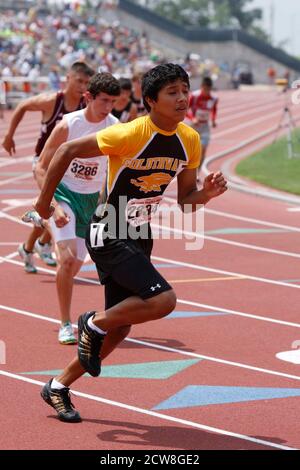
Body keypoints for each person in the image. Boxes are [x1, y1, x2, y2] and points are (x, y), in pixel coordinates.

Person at [34, 63, 227, 423]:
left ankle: (58, 386)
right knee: (162, 299)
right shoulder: (131, 133)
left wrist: (208, 194)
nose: (183, 97)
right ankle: (91, 323)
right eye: (172, 92)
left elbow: (186, 201)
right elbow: (64, 152)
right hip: (107, 228)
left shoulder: (190, 139)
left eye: (184, 89)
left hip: (140, 233)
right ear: (151, 100)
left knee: (119, 328)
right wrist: (46, 203)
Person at [30, 72, 120, 345]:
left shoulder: (115, 127)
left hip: (90, 201)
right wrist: (54, 205)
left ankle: (40, 221)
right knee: (66, 260)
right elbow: (41, 167)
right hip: (64, 193)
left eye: (113, 102)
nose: (108, 108)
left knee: (76, 264)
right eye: (103, 101)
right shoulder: (69, 125)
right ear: (88, 97)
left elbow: (114, 172)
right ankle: (65, 324)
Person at [2, 62, 95, 274]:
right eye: (78, 81)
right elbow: (22, 105)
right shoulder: (53, 101)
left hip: (68, 167)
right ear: (67, 79)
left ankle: (29, 248)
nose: (82, 86)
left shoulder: (86, 105)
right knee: (56, 208)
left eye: (86, 83)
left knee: (59, 211)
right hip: (43, 164)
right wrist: (9, 135)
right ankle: (42, 242)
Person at [188, 76, 218, 180]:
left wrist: (213, 120)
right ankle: (186, 172)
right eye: (205, 89)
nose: (206, 92)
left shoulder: (214, 98)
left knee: (203, 151)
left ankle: (197, 174)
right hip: (193, 126)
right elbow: (186, 110)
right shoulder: (194, 96)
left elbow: (214, 110)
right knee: (191, 152)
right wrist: (192, 118)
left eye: (208, 90)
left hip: (205, 127)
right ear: (201, 87)